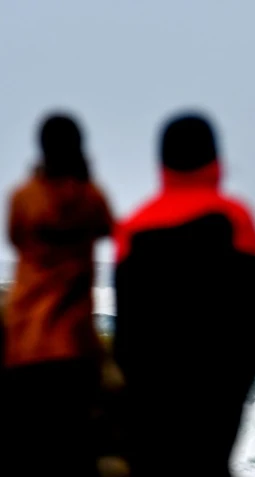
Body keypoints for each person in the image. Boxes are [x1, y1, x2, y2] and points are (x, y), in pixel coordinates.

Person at [112, 111, 255, 476]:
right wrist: (242, 377)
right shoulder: (235, 219)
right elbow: (253, 315)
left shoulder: (133, 229)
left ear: (161, 162)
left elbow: (127, 329)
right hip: (217, 391)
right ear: (216, 159)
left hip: (150, 394)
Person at [2, 113, 114, 477]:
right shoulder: (90, 197)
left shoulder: (24, 196)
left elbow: (16, 236)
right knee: (73, 455)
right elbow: (106, 227)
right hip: (73, 345)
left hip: (25, 344)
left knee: (31, 452)